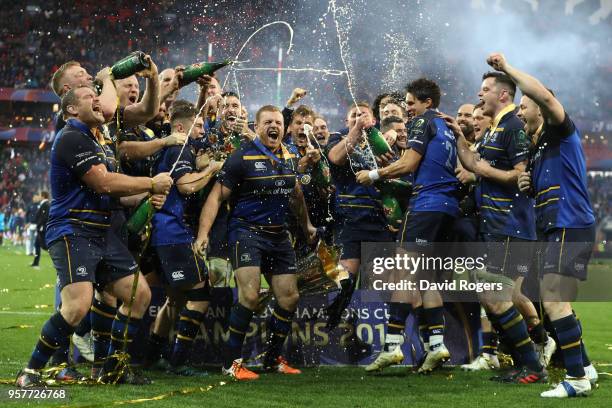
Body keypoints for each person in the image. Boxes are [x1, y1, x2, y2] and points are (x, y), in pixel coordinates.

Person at [15, 86, 173, 388]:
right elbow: (103, 183)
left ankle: (111, 369)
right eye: (90, 97)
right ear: (72, 109)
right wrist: (151, 182)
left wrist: (146, 195)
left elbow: (117, 195)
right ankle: (31, 371)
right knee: (77, 306)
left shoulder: (98, 141)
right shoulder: (72, 137)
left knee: (139, 295)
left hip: (101, 233)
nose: (98, 100)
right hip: (72, 230)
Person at [488, 52, 597, 397]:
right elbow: (539, 187)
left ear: (540, 107)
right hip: (555, 226)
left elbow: (547, 96)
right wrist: (527, 184)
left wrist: (506, 68)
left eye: (524, 106)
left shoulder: (560, 131)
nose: (520, 111)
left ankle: (577, 379)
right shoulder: (537, 151)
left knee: (552, 299)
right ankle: (587, 368)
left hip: (569, 222)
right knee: (556, 299)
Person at [195, 105, 316, 380]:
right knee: (249, 296)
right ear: (257, 126)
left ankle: (272, 359)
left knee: (289, 298)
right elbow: (216, 197)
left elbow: (296, 194)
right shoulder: (241, 157)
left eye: (278, 122)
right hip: (247, 232)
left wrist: (306, 224)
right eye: (268, 122)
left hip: (278, 234)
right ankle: (231, 363)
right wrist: (203, 234)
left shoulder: (289, 155)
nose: (274, 126)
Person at [446, 69, 548, 384]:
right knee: (506, 294)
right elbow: (475, 165)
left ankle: (532, 364)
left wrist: (483, 170)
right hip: (499, 226)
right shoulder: (494, 129)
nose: (480, 94)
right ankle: (531, 357)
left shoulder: (513, 127)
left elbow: (518, 175)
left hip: (510, 226)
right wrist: (461, 140)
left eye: (485, 89)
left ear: (503, 94)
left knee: (493, 295)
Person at [357, 78, 459, 373]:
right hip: (448, 208)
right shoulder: (446, 125)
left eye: (412, 102)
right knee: (426, 278)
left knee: (403, 273)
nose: (408, 108)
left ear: (427, 102)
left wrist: (374, 174)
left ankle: (391, 346)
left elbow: (408, 164)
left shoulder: (423, 122)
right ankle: (437, 346)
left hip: (427, 204)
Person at [149, 100, 222, 376]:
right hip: (173, 233)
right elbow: (187, 186)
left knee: (176, 299)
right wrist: (211, 170)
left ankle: (153, 357)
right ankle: (178, 362)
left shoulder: (173, 150)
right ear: (180, 126)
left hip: (163, 231)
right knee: (200, 296)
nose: (201, 131)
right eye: (197, 125)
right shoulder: (179, 148)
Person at [326, 102, 395, 328]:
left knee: (386, 284)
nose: (359, 118)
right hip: (349, 221)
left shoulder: (380, 143)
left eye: (364, 115)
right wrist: (356, 130)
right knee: (345, 282)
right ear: (347, 122)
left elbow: (395, 176)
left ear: (373, 120)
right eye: (354, 115)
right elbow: (336, 158)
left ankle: (394, 336)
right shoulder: (337, 137)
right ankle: (333, 325)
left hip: (377, 220)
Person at [30, 192, 50, 268]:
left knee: (44, 246)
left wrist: (40, 225)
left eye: (39, 195)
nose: (38, 197)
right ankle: (35, 263)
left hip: (42, 228)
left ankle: (59, 258)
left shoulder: (47, 204)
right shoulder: (43, 204)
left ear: (43, 196)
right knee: (37, 245)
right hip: (41, 227)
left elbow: (45, 216)